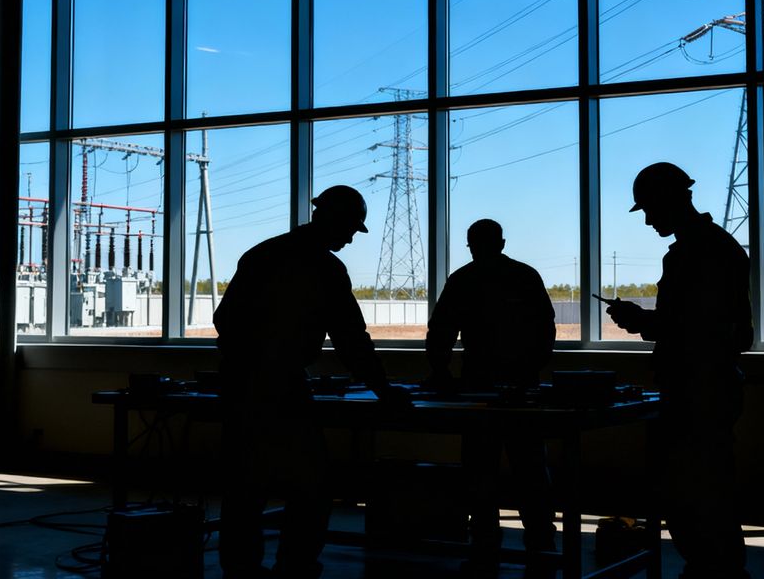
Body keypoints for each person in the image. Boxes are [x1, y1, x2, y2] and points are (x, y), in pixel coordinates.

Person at [214, 185, 409, 579]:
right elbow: (352, 340)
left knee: (245, 488)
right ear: (334, 220)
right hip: (281, 386)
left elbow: (225, 320)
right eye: (352, 228)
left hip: (242, 384)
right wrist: (384, 390)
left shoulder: (262, 254)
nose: (353, 237)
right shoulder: (325, 269)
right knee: (312, 487)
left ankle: (240, 568)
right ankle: (296, 567)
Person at [604, 162, 751, 579]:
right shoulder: (716, 247)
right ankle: (718, 569)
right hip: (709, 386)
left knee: (692, 492)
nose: (648, 219)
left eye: (650, 209)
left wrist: (643, 322)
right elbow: (720, 328)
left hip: (697, 390)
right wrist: (649, 323)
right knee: (709, 489)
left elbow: (699, 328)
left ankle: (712, 569)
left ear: (672, 200)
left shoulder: (698, 253)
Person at [425, 219, 557, 560]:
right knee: (529, 466)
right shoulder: (524, 276)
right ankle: (541, 538)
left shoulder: (463, 280)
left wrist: (441, 373)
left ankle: (484, 536)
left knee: (480, 467)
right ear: (502, 242)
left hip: (476, 386)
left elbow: (441, 331)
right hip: (520, 387)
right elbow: (545, 330)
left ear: (471, 244)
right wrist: (530, 371)